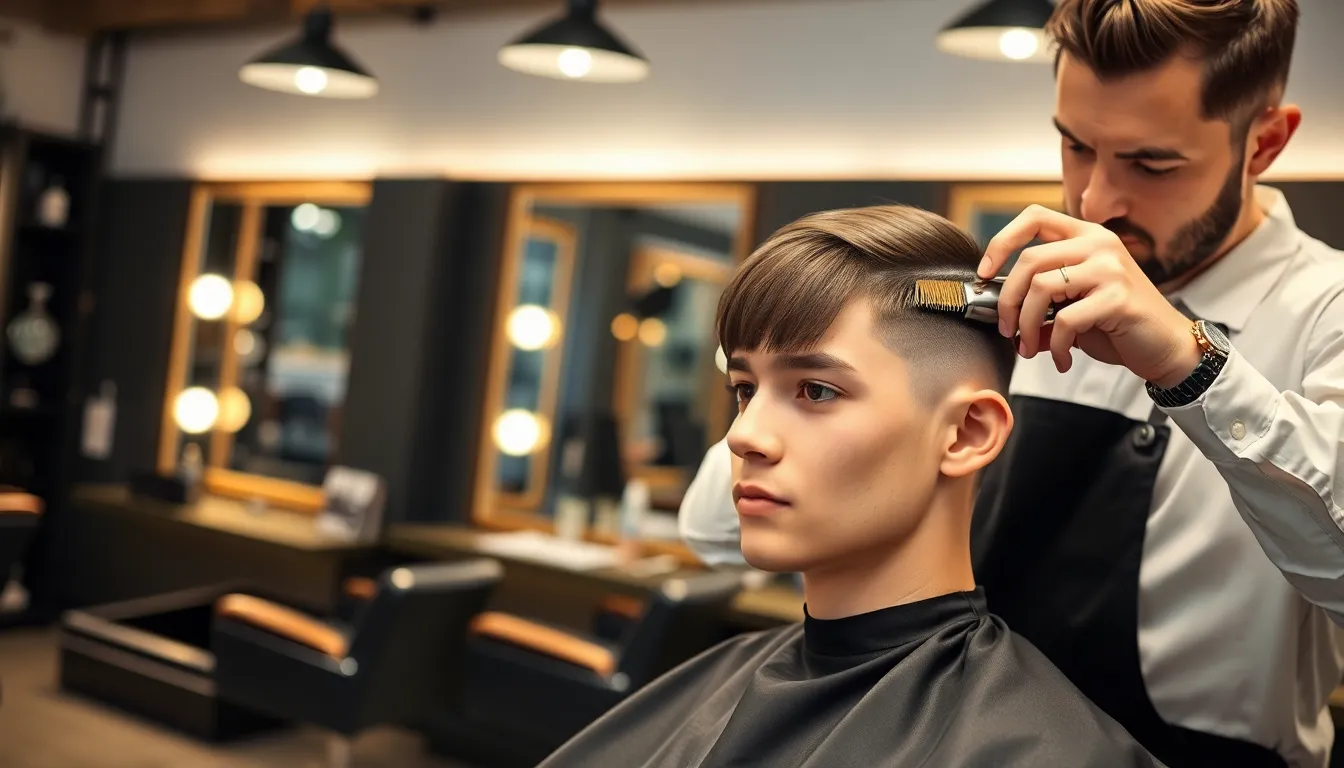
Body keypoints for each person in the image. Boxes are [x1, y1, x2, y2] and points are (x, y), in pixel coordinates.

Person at [680, 1, 1344, 766]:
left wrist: (1186, 363)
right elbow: (711, 531)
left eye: (1152, 164)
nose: (1095, 202)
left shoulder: (1325, 311)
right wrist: (813, 373)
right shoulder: (1005, 300)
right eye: (1075, 146)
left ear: (1266, 141)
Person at [543, 204, 1161, 768]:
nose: (743, 436)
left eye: (816, 390)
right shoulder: (722, 680)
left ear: (966, 434)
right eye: (745, 389)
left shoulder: (1042, 750)